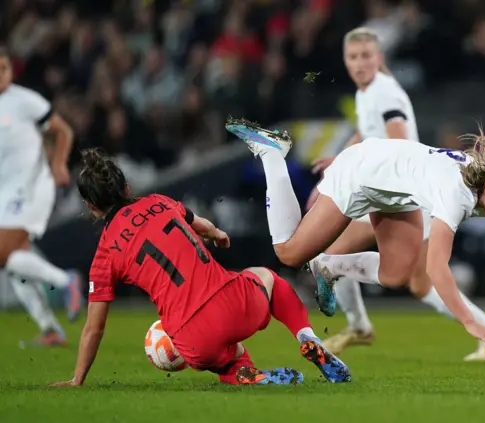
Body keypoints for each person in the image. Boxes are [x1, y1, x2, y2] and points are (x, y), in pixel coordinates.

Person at [225, 120, 485, 349]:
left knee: (396, 274)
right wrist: (470, 321)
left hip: (396, 190)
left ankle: (329, 267)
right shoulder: (456, 195)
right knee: (289, 253)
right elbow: (437, 268)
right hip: (362, 175)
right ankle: (273, 154)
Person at [50, 149, 351, 387]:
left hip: (191, 339)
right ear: (126, 186)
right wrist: (217, 233)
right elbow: (200, 224)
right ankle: (307, 338)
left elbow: (94, 328)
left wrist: (78, 378)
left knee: (225, 357)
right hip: (237, 305)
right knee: (267, 277)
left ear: (90, 206)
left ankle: (245, 373)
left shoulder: (104, 255)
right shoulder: (158, 202)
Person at [306, 27, 485, 361]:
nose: (360, 63)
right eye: (353, 57)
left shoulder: (384, 93)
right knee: (419, 282)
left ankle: (358, 325)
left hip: (397, 192)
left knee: (325, 255)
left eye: (366, 56)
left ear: (379, 58)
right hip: (401, 190)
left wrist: (352, 169)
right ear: (346, 61)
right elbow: (368, 131)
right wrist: (342, 156)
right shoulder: (368, 93)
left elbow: (397, 139)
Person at [0, 48, 82, 347]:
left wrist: (59, 164)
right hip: (6, 193)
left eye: (5, 66)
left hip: (31, 186)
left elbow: (63, 131)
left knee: (4, 255)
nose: (2, 72)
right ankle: (49, 329)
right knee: (12, 263)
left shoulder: (24, 100)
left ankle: (66, 282)